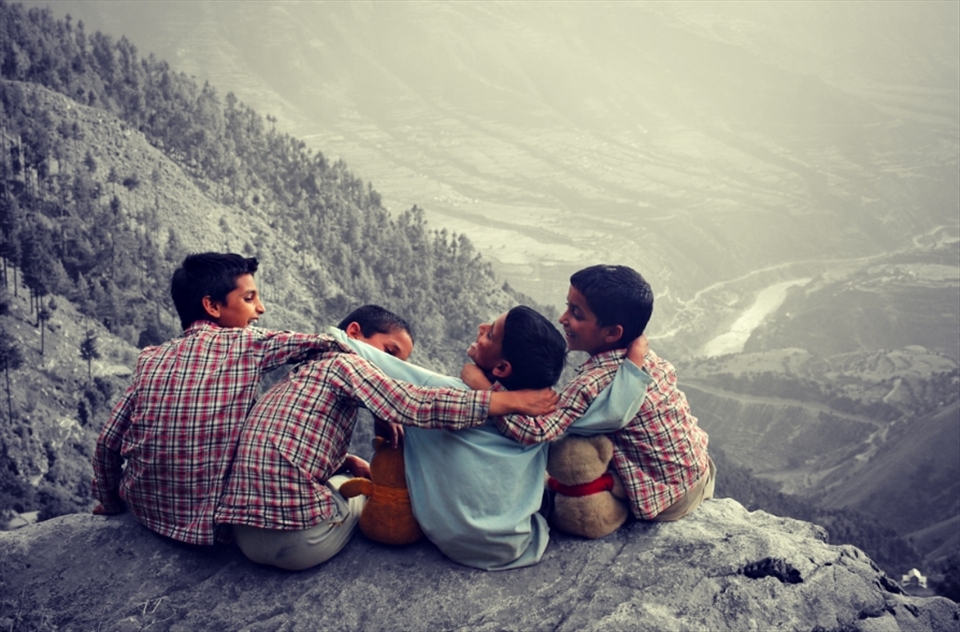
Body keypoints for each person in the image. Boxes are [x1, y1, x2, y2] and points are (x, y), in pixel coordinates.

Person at [214, 307, 557, 571]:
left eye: (491, 333)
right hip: (303, 542)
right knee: (360, 486)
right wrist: (502, 399)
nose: (387, 368)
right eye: (389, 354)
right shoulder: (346, 364)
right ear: (354, 334)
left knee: (344, 474)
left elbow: (299, 439)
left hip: (243, 533)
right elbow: (414, 402)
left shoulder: (302, 374)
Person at [331, 306, 650, 570]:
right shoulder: (543, 413)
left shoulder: (441, 392)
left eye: (491, 333)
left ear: (501, 367)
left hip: (446, 538)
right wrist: (633, 365)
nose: (481, 327)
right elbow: (609, 412)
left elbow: (347, 348)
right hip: (517, 545)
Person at [92, 252, 356, 546]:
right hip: (216, 528)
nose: (261, 308)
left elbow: (107, 443)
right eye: (249, 298)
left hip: (147, 514)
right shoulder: (248, 342)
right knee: (350, 494)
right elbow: (331, 345)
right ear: (213, 306)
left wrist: (110, 502)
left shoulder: (151, 358)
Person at [494, 264, 714, 525]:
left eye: (576, 313)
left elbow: (535, 432)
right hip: (701, 474)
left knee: (572, 448)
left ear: (612, 333)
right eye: (568, 306)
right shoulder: (649, 359)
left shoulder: (592, 383)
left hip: (666, 501)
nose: (563, 318)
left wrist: (488, 394)